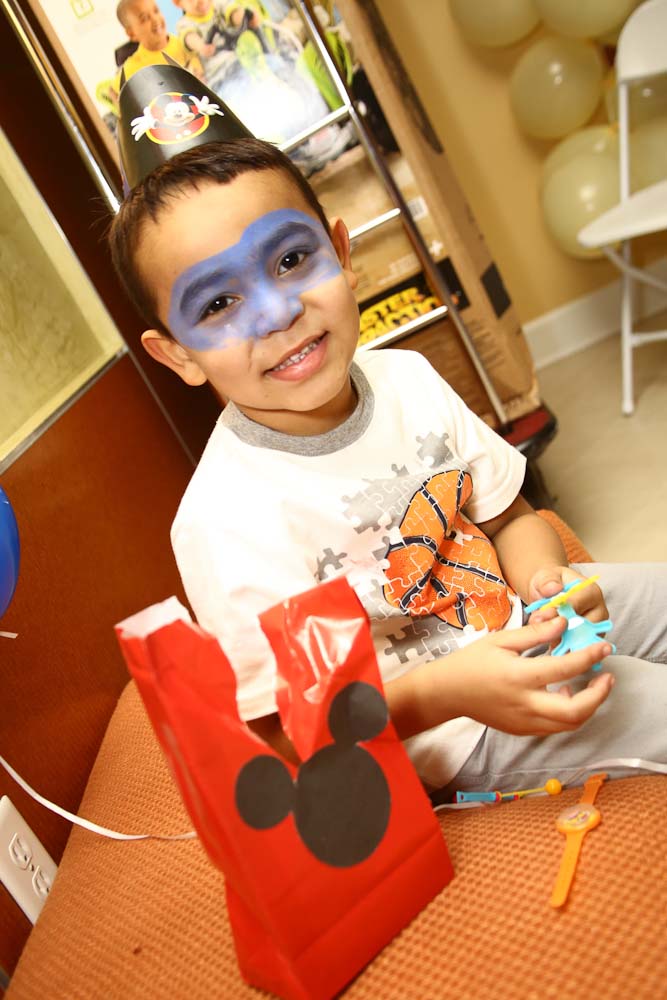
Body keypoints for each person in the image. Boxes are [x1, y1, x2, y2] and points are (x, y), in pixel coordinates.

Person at [109, 64, 667, 802]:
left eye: (290, 260)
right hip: (452, 731)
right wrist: (448, 692)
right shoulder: (223, 521)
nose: (277, 312)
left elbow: (510, 518)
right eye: (217, 304)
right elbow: (287, 734)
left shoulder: (407, 376)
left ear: (341, 252)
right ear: (177, 354)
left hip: (519, 620)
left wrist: (545, 586)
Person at [112, 0, 203, 101]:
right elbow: (112, 92)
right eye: (144, 18)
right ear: (132, 33)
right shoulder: (133, 66)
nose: (155, 19)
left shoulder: (185, 42)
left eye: (156, 11)